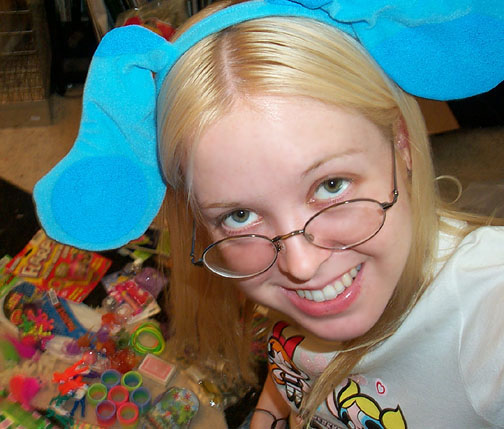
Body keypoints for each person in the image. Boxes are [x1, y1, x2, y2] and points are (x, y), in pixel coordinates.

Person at [33, 0, 504, 427]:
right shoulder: (303, 275)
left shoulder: (484, 313)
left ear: (400, 141)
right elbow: (299, 370)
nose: (301, 265)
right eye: (240, 215)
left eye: (331, 186)